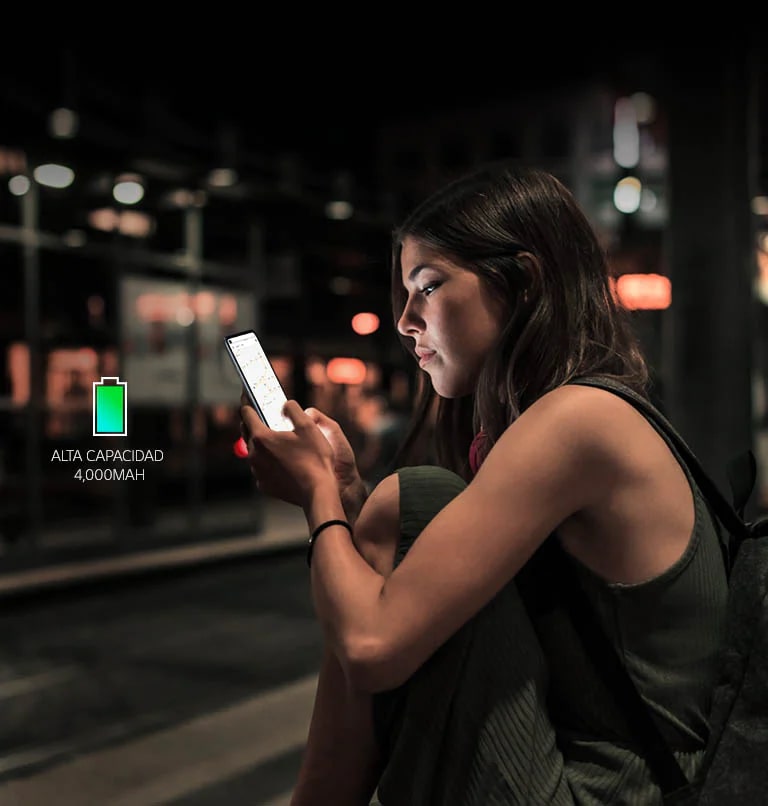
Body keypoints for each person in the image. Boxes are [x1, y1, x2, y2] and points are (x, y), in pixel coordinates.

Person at [239, 162, 728, 805]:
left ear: (521, 282)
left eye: (429, 286)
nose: (406, 320)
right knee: (402, 509)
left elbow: (370, 645)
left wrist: (319, 499)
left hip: (620, 793)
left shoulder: (578, 421)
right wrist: (346, 494)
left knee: (413, 498)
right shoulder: (571, 417)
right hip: (608, 778)